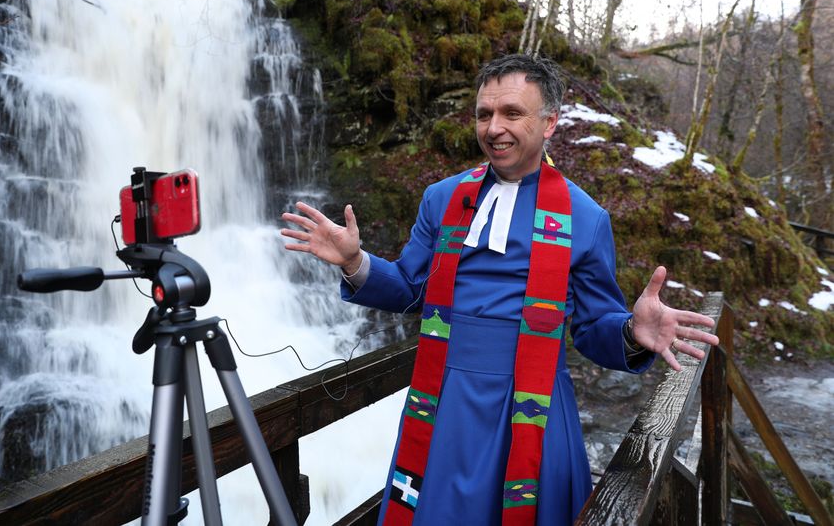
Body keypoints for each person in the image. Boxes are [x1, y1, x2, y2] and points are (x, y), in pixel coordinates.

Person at [280, 54, 719, 526]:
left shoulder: (585, 218)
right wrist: (354, 262)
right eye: (484, 114)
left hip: (533, 411)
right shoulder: (442, 199)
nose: (493, 128)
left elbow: (594, 330)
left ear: (549, 122)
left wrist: (632, 331)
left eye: (512, 113)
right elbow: (411, 289)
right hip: (445, 407)